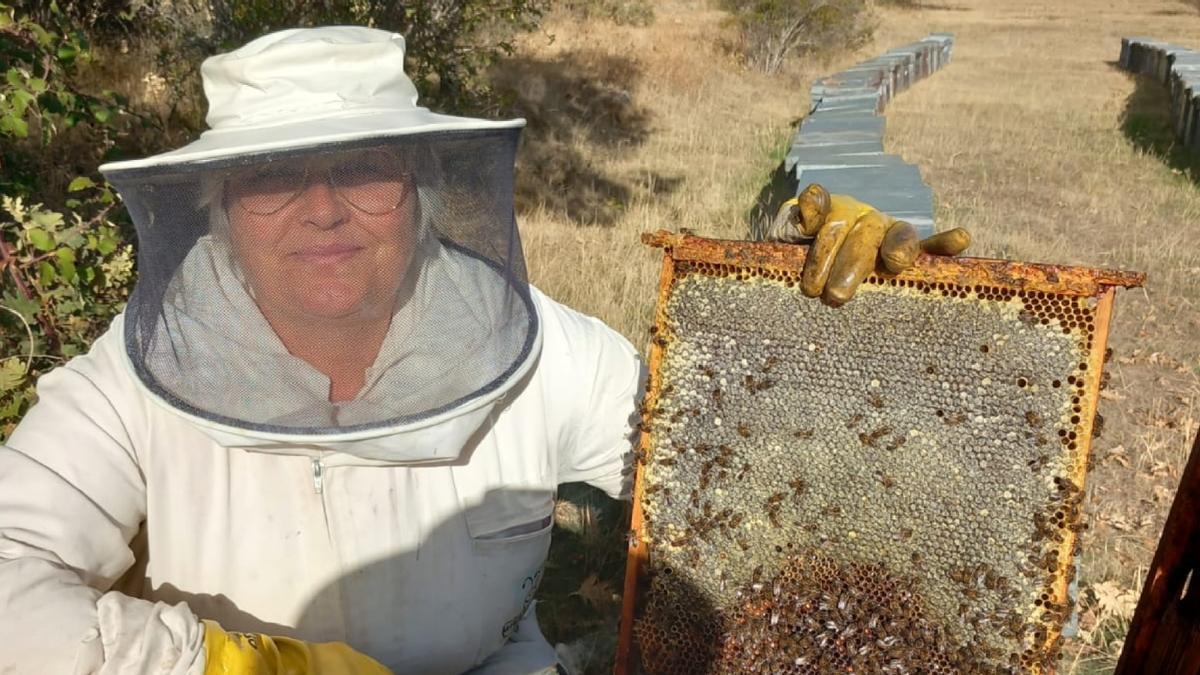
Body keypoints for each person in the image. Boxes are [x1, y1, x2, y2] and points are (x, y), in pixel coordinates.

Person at [0, 27, 967, 675]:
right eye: (271, 178)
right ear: (214, 206)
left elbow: (749, 484)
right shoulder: (130, 378)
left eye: (365, 167)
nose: (325, 208)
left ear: (421, 182)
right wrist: (233, 666)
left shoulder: (548, 352)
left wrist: (833, 333)